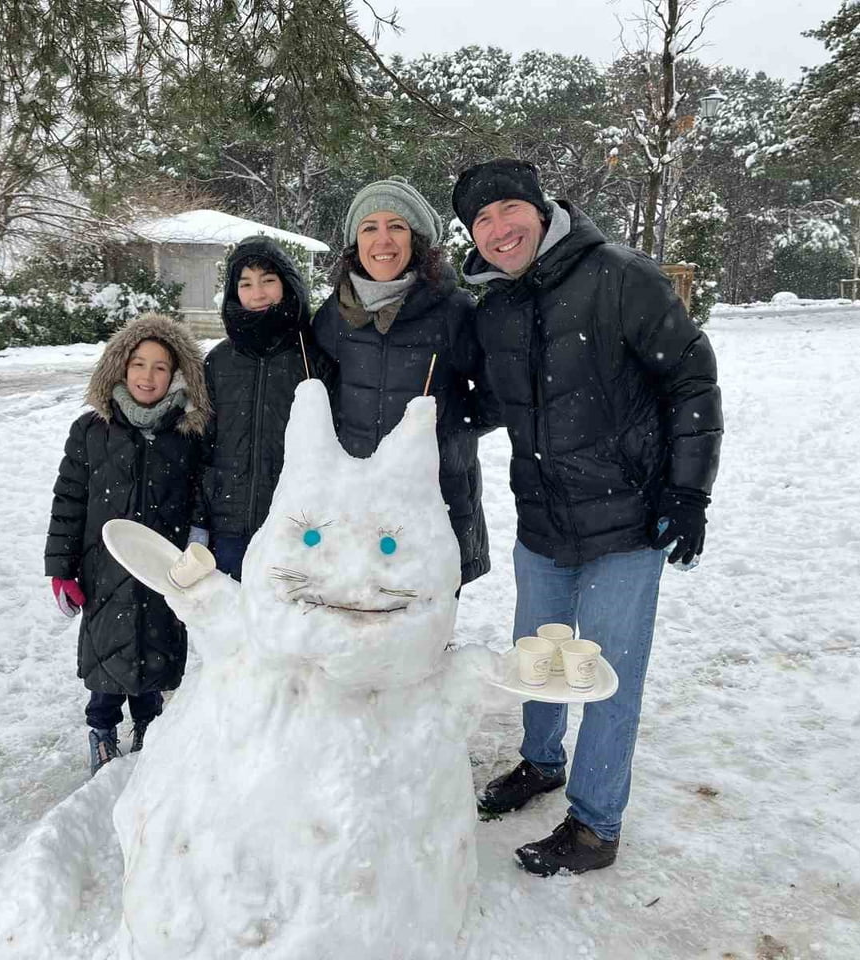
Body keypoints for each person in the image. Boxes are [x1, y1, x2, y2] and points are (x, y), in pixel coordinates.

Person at [451, 159, 722, 876]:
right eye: (481, 221)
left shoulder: (619, 276)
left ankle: (597, 825)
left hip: (627, 522)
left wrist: (689, 492)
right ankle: (540, 763)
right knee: (534, 657)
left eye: (509, 210)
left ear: (541, 210)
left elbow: (691, 377)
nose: (498, 230)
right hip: (542, 520)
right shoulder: (495, 309)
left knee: (606, 675)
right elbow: (495, 402)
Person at [44, 312, 210, 775]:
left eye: (160, 366)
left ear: (176, 374)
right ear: (120, 367)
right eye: (138, 363)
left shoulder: (187, 436)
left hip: (161, 565)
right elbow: (69, 500)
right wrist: (60, 568)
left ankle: (148, 725)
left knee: (154, 647)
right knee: (107, 651)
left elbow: (201, 493)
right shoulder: (91, 431)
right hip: (103, 568)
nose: (148, 376)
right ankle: (101, 728)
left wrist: (197, 538)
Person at [313, 176, 489, 587]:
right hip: (357, 495)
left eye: (396, 226)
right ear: (355, 243)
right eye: (369, 228)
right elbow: (316, 387)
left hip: (432, 493)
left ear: (417, 239)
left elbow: (495, 393)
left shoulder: (454, 310)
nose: (383, 239)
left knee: (425, 628)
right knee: (359, 618)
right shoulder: (336, 312)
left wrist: (449, 431)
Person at [201, 237, 333, 580]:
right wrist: (200, 520)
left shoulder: (312, 358)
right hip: (229, 527)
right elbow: (202, 446)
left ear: (287, 285)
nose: (257, 294)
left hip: (296, 527)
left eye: (268, 281)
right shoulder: (219, 361)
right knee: (231, 626)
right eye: (245, 283)